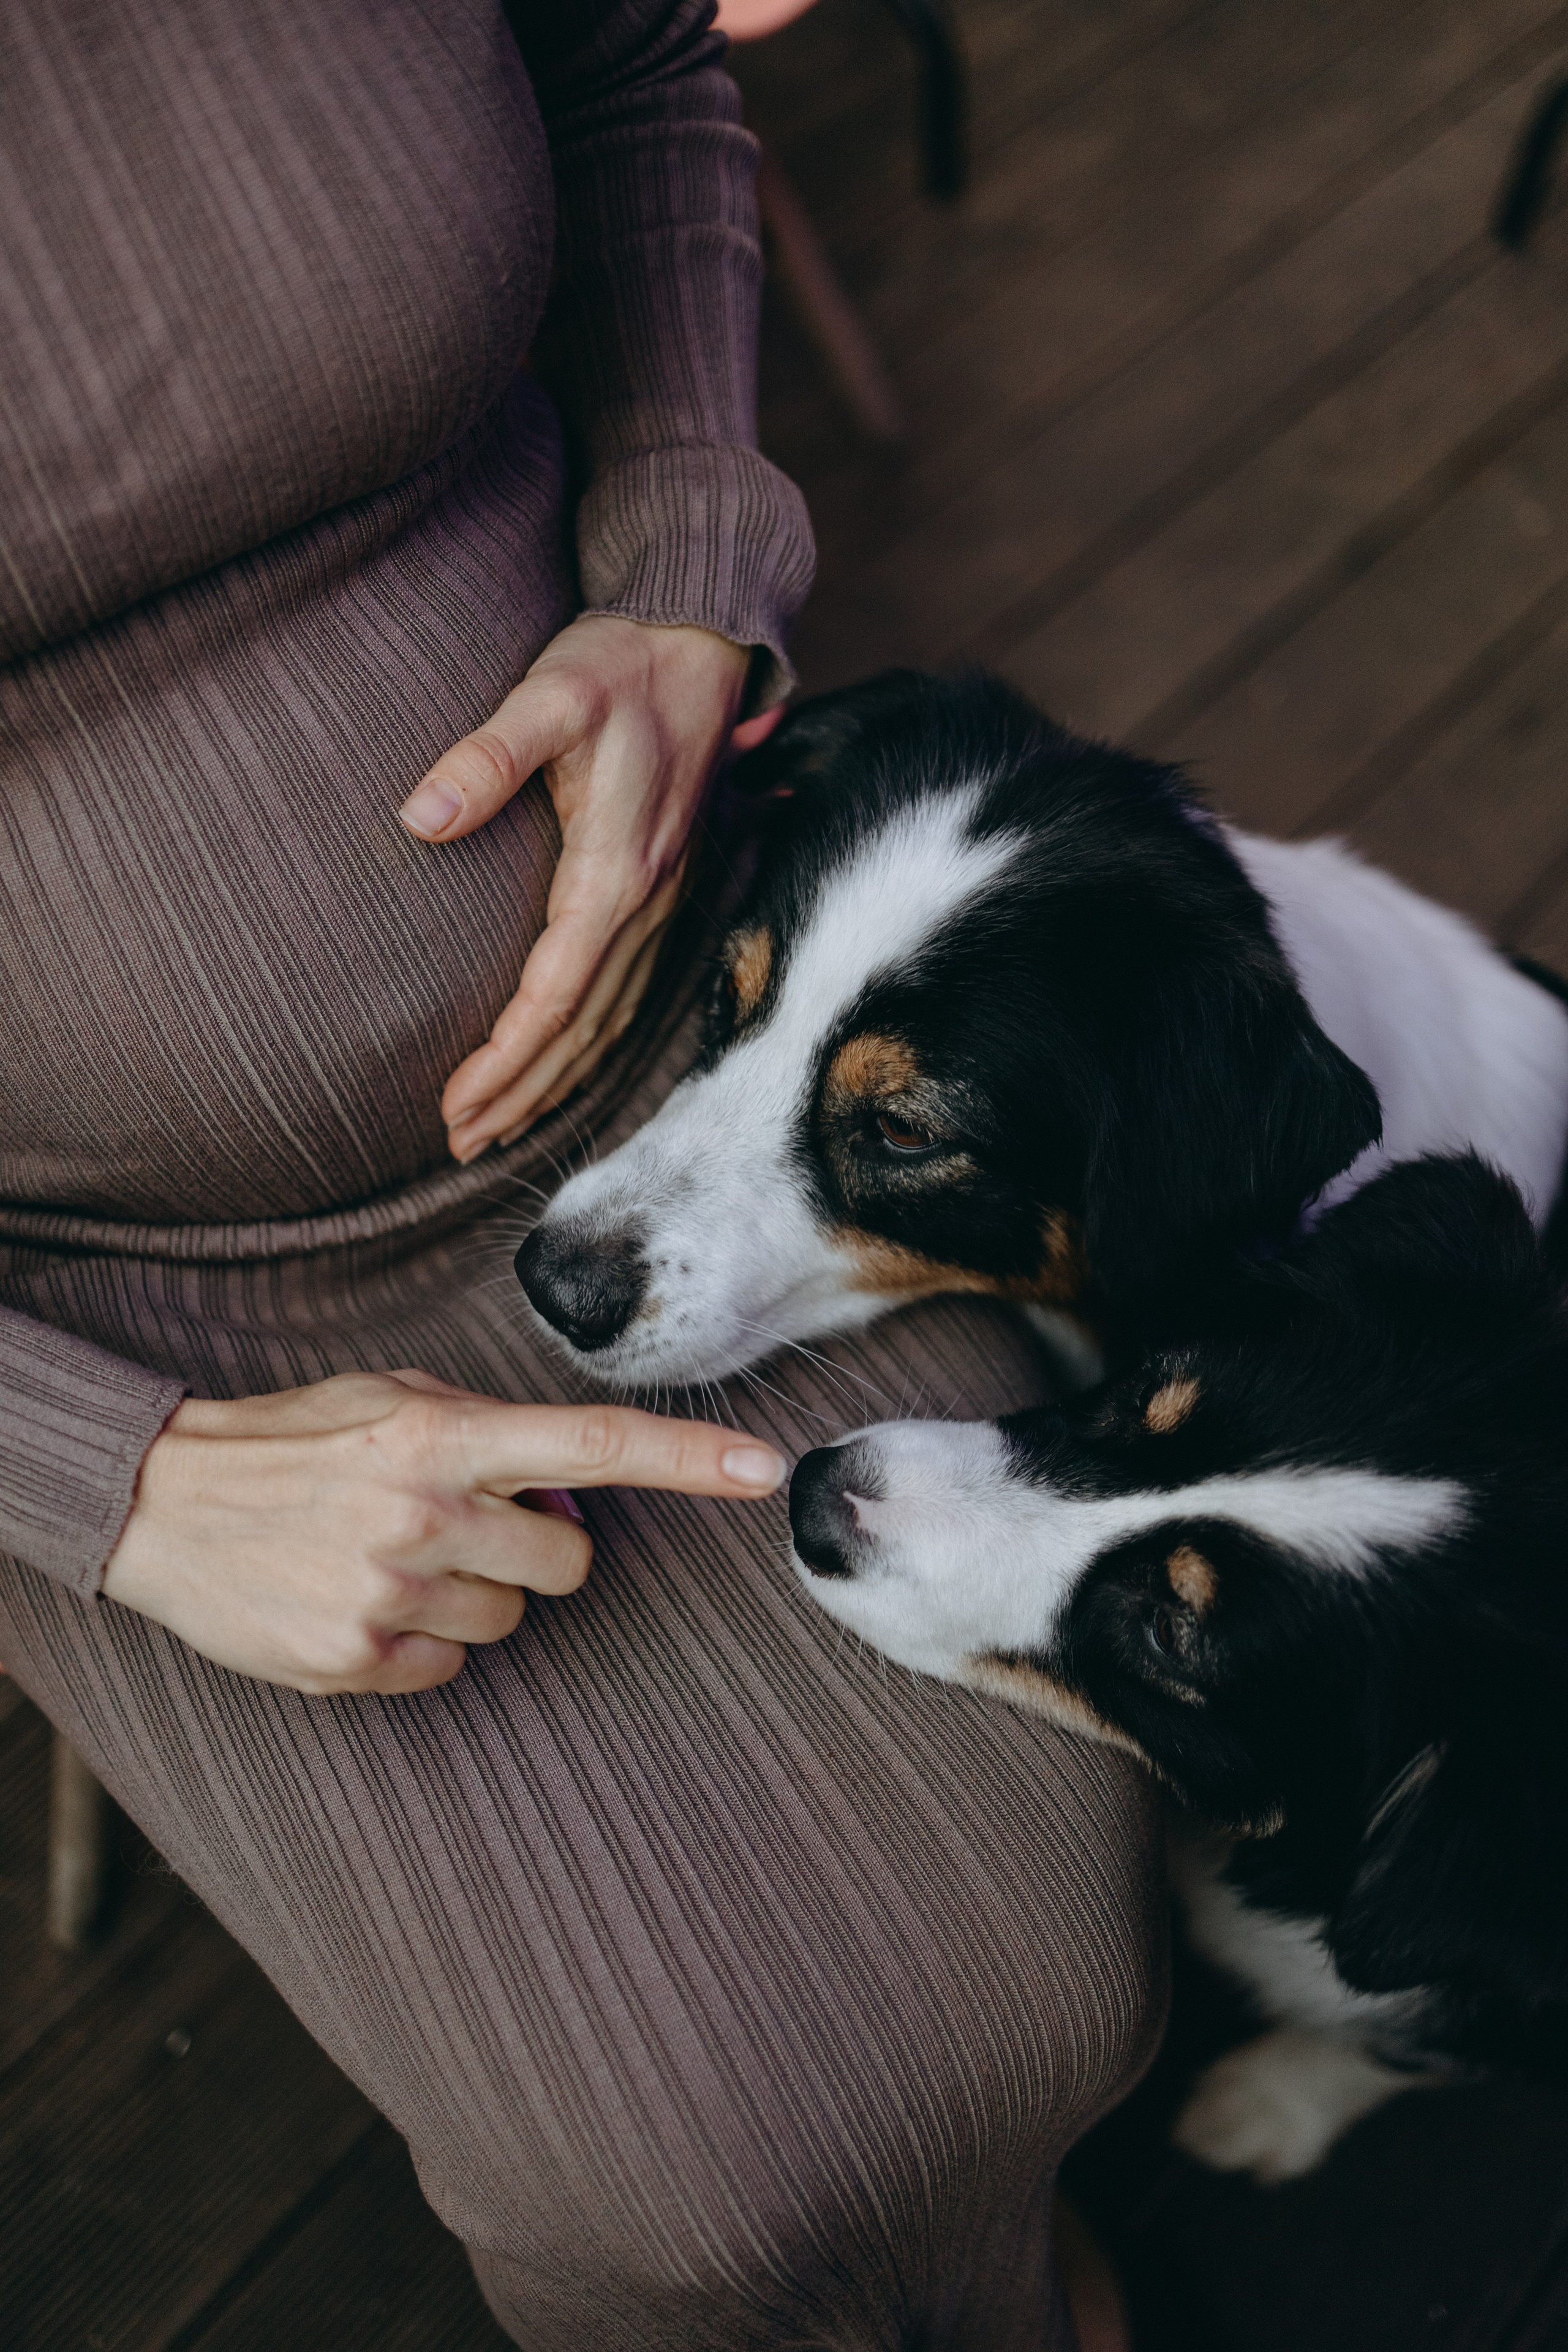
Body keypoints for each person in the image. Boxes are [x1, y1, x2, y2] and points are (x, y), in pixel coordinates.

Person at [0, 3, 1163, 2343]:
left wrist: (685, 572)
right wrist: (110, 1480)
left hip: (693, 1066)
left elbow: (639, 72)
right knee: (689, 2191)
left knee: (1069, 1964)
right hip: (123, 1308)